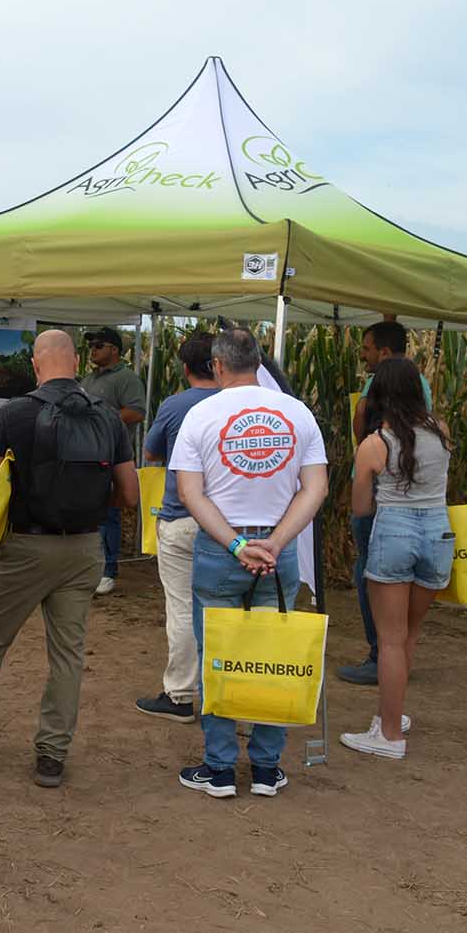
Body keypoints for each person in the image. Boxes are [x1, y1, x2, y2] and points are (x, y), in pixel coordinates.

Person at [0, 331, 137, 787]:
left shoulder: (14, 413)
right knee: (67, 654)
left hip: (25, 548)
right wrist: (88, 508)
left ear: (35, 365)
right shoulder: (108, 418)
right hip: (86, 549)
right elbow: (129, 494)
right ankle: (52, 754)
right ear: (76, 363)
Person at [170, 327, 327, 799]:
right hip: (278, 556)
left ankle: (218, 768)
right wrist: (277, 542)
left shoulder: (201, 415)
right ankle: (266, 767)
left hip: (222, 549)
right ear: (257, 362)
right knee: (273, 656)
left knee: (216, 655)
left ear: (217, 366)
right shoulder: (298, 413)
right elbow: (315, 488)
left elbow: (189, 492)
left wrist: (238, 545)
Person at [341, 358, 452, 759]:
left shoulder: (375, 444)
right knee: (409, 634)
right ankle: (394, 713)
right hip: (439, 535)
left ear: (380, 396)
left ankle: (389, 735)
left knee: (389, 640)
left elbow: (360, 507)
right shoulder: (441, 431)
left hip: (396, 534)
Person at [339, 320, 434, 686]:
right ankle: (395, 657)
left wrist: (365, 448)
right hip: (417, 505)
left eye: (366, 347)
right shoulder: (426, 401)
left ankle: (380, 656)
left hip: (381, 495)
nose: (362, 354)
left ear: (383, 351)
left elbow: (362, 413)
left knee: (370, 571)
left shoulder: (381, 380)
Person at [134, 332, 219, 723]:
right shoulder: (237, 404)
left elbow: (151, 451)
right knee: (227, 609)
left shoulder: (176, 405)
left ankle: (181, 695)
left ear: (185, 368)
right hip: (229, 527)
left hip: (181, 516)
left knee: (183, 608)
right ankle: (227, 694)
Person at [80, 326, 146, 596]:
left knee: (109, 514)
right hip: (84, 454)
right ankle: (90, 566)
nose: (93, 350)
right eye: (91, 346)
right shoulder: (88, 378)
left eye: (99, 345)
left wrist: (100, 419)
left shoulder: (126, 378)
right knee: (89, 512)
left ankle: (108, 570)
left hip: (111, 456)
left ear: (115, 350)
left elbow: (137, 411)